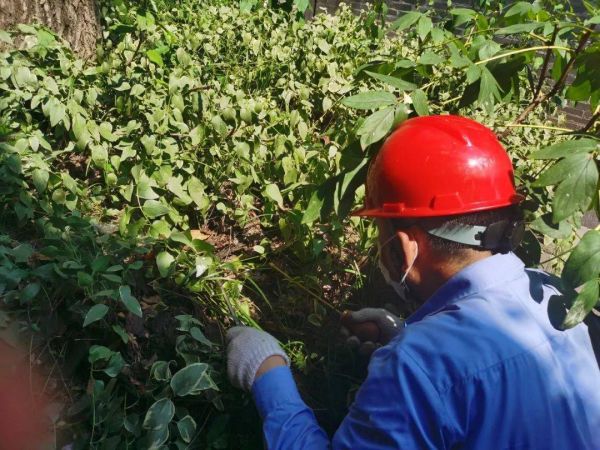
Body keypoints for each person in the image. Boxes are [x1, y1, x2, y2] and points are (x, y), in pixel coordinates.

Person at [225, 115, 600, 449]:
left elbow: (449, 372)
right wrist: (405, 334)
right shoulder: (553, 297)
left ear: (405, 249)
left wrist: (267, 373)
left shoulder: (418, 366)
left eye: (378, 229)